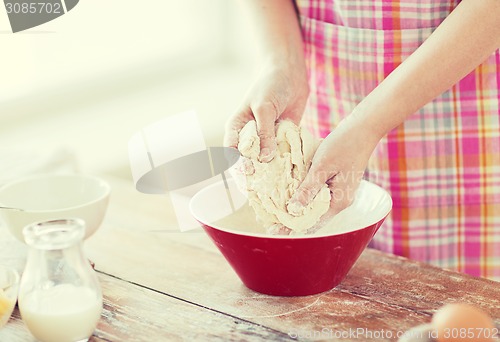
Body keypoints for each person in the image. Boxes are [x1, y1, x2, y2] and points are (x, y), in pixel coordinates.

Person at [224, 0, 500, 280]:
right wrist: (282, 62)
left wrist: (366, 126)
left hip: (456, 101)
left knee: (452, 297)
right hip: (328, 101)